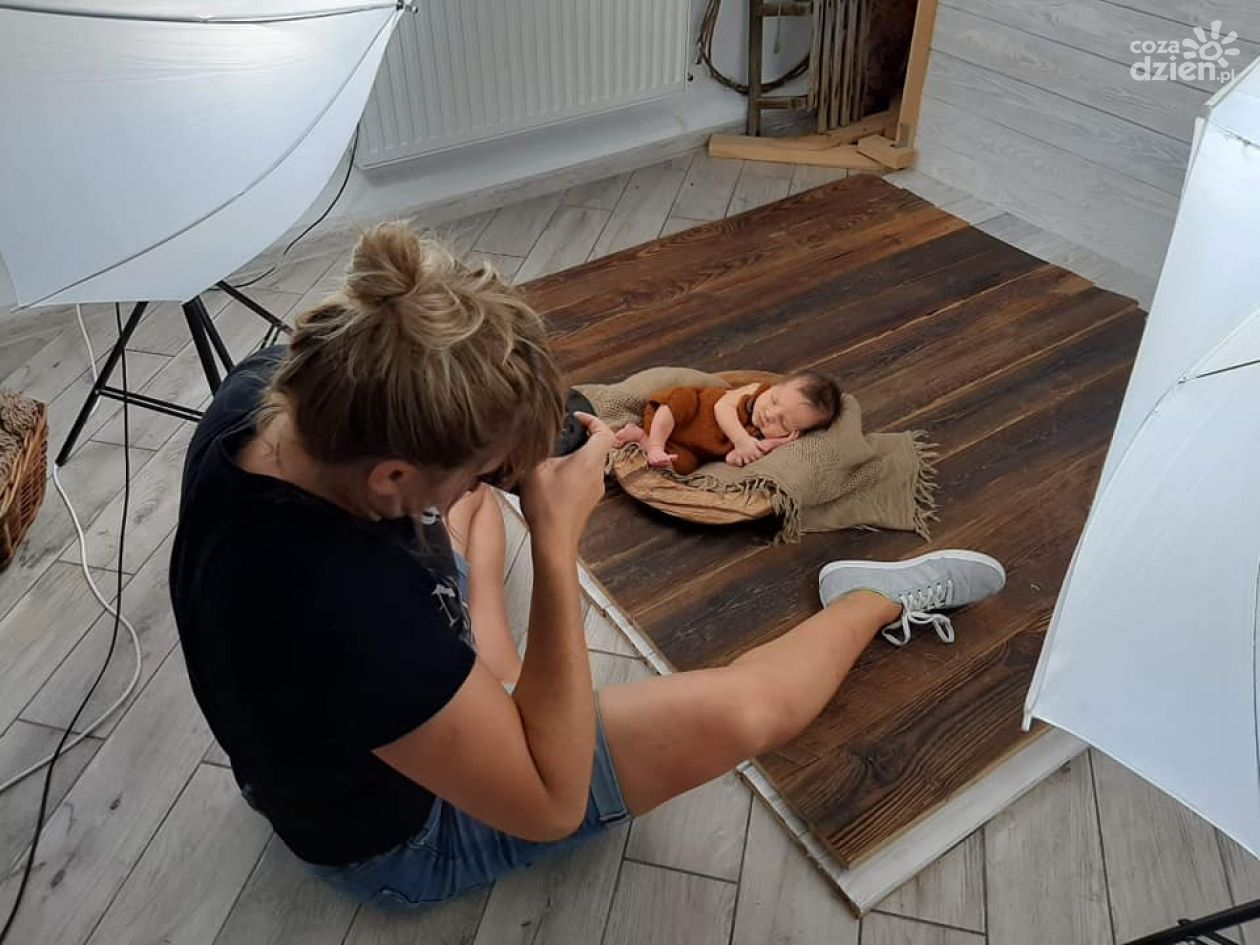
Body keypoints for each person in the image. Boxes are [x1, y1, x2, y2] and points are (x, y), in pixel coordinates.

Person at [169, 221, 1006, 910]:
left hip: (329, 725)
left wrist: (513, 458)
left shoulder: (277, 391)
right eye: (483, 467)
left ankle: (486, 646)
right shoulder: (348, 607)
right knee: (748, 707)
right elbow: (550, 803)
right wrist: (557, 537)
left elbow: (426, 519)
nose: (496, 478)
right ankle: (869, 600)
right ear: (391, 477)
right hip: (403, 838)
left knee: (468, 523)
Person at [613, 371, 842, 474]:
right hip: (683, 415)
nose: (770, 414)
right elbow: (721, 408)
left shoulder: (759, 438)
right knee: (682, 400)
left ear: (795, 433)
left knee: (682, 466)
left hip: (688, 447)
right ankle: (655, 444)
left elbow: (733, 459)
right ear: (773, 387)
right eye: (773, 400)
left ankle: (641, 438)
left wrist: (775, 444)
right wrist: (741, 440)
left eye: (783, 422)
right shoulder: (754, 392)